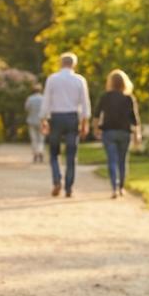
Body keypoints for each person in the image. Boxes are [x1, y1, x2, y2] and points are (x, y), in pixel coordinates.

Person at [38, 53, 90, 198]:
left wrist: (43, 120)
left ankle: (56, 180)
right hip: (72, 118)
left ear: (61, 63)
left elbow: (46, 100)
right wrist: (85, 123)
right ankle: (68, 187)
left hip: (56, 118)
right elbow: (85, 104)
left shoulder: (52, 79)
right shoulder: (80, 80)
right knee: (71, 154)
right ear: (74, 64)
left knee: (54, 153)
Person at [92, 69, 142, 199]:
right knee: (122, 161)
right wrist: (137, 135)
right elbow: (135, 119)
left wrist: (96, 129)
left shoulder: (105, 97)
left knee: (112, 160)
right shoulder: (129, 98)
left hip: (109, 132)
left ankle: (114, 187)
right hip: (124, 132)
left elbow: (97, 115)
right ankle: (121, 188)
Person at [24, 83, 46, 163]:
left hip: (31, 121)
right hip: (41, 121)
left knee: (34, 139)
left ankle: (35, 153)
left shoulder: (30, 98)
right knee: (41, 139)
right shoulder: (44, 99)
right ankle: (40, 151)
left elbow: (26, 108)